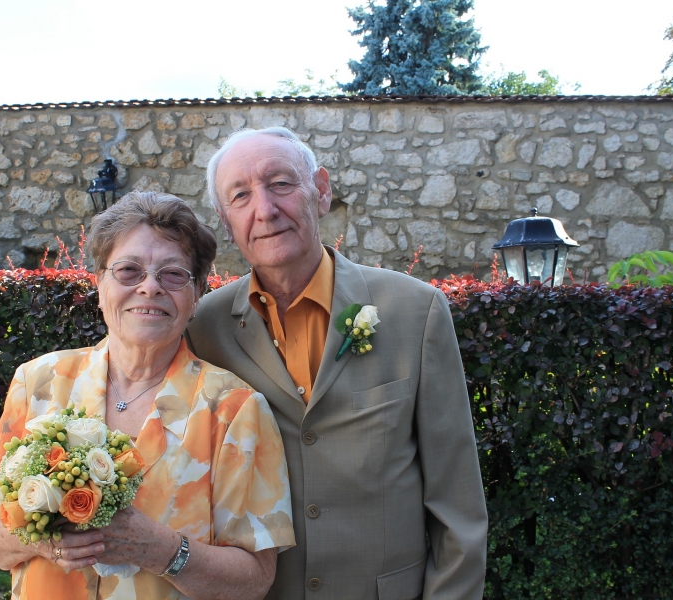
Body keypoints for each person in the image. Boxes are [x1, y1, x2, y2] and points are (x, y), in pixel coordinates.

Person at [185, 127, 488, 599]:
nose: (265, 209)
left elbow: (458, 506)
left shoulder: (415, 311)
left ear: (321, 191)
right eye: (240, 196)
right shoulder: (204, 328)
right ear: (226, 222)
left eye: (281, 183)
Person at [0, 191, 295, 600]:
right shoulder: (39, 382)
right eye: (128, 271)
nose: (150, 287)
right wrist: (44, 537)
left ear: (196, 294)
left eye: (173, 274)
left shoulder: (234, 409)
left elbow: (254, 580)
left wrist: (161, 551)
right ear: (100, 283)